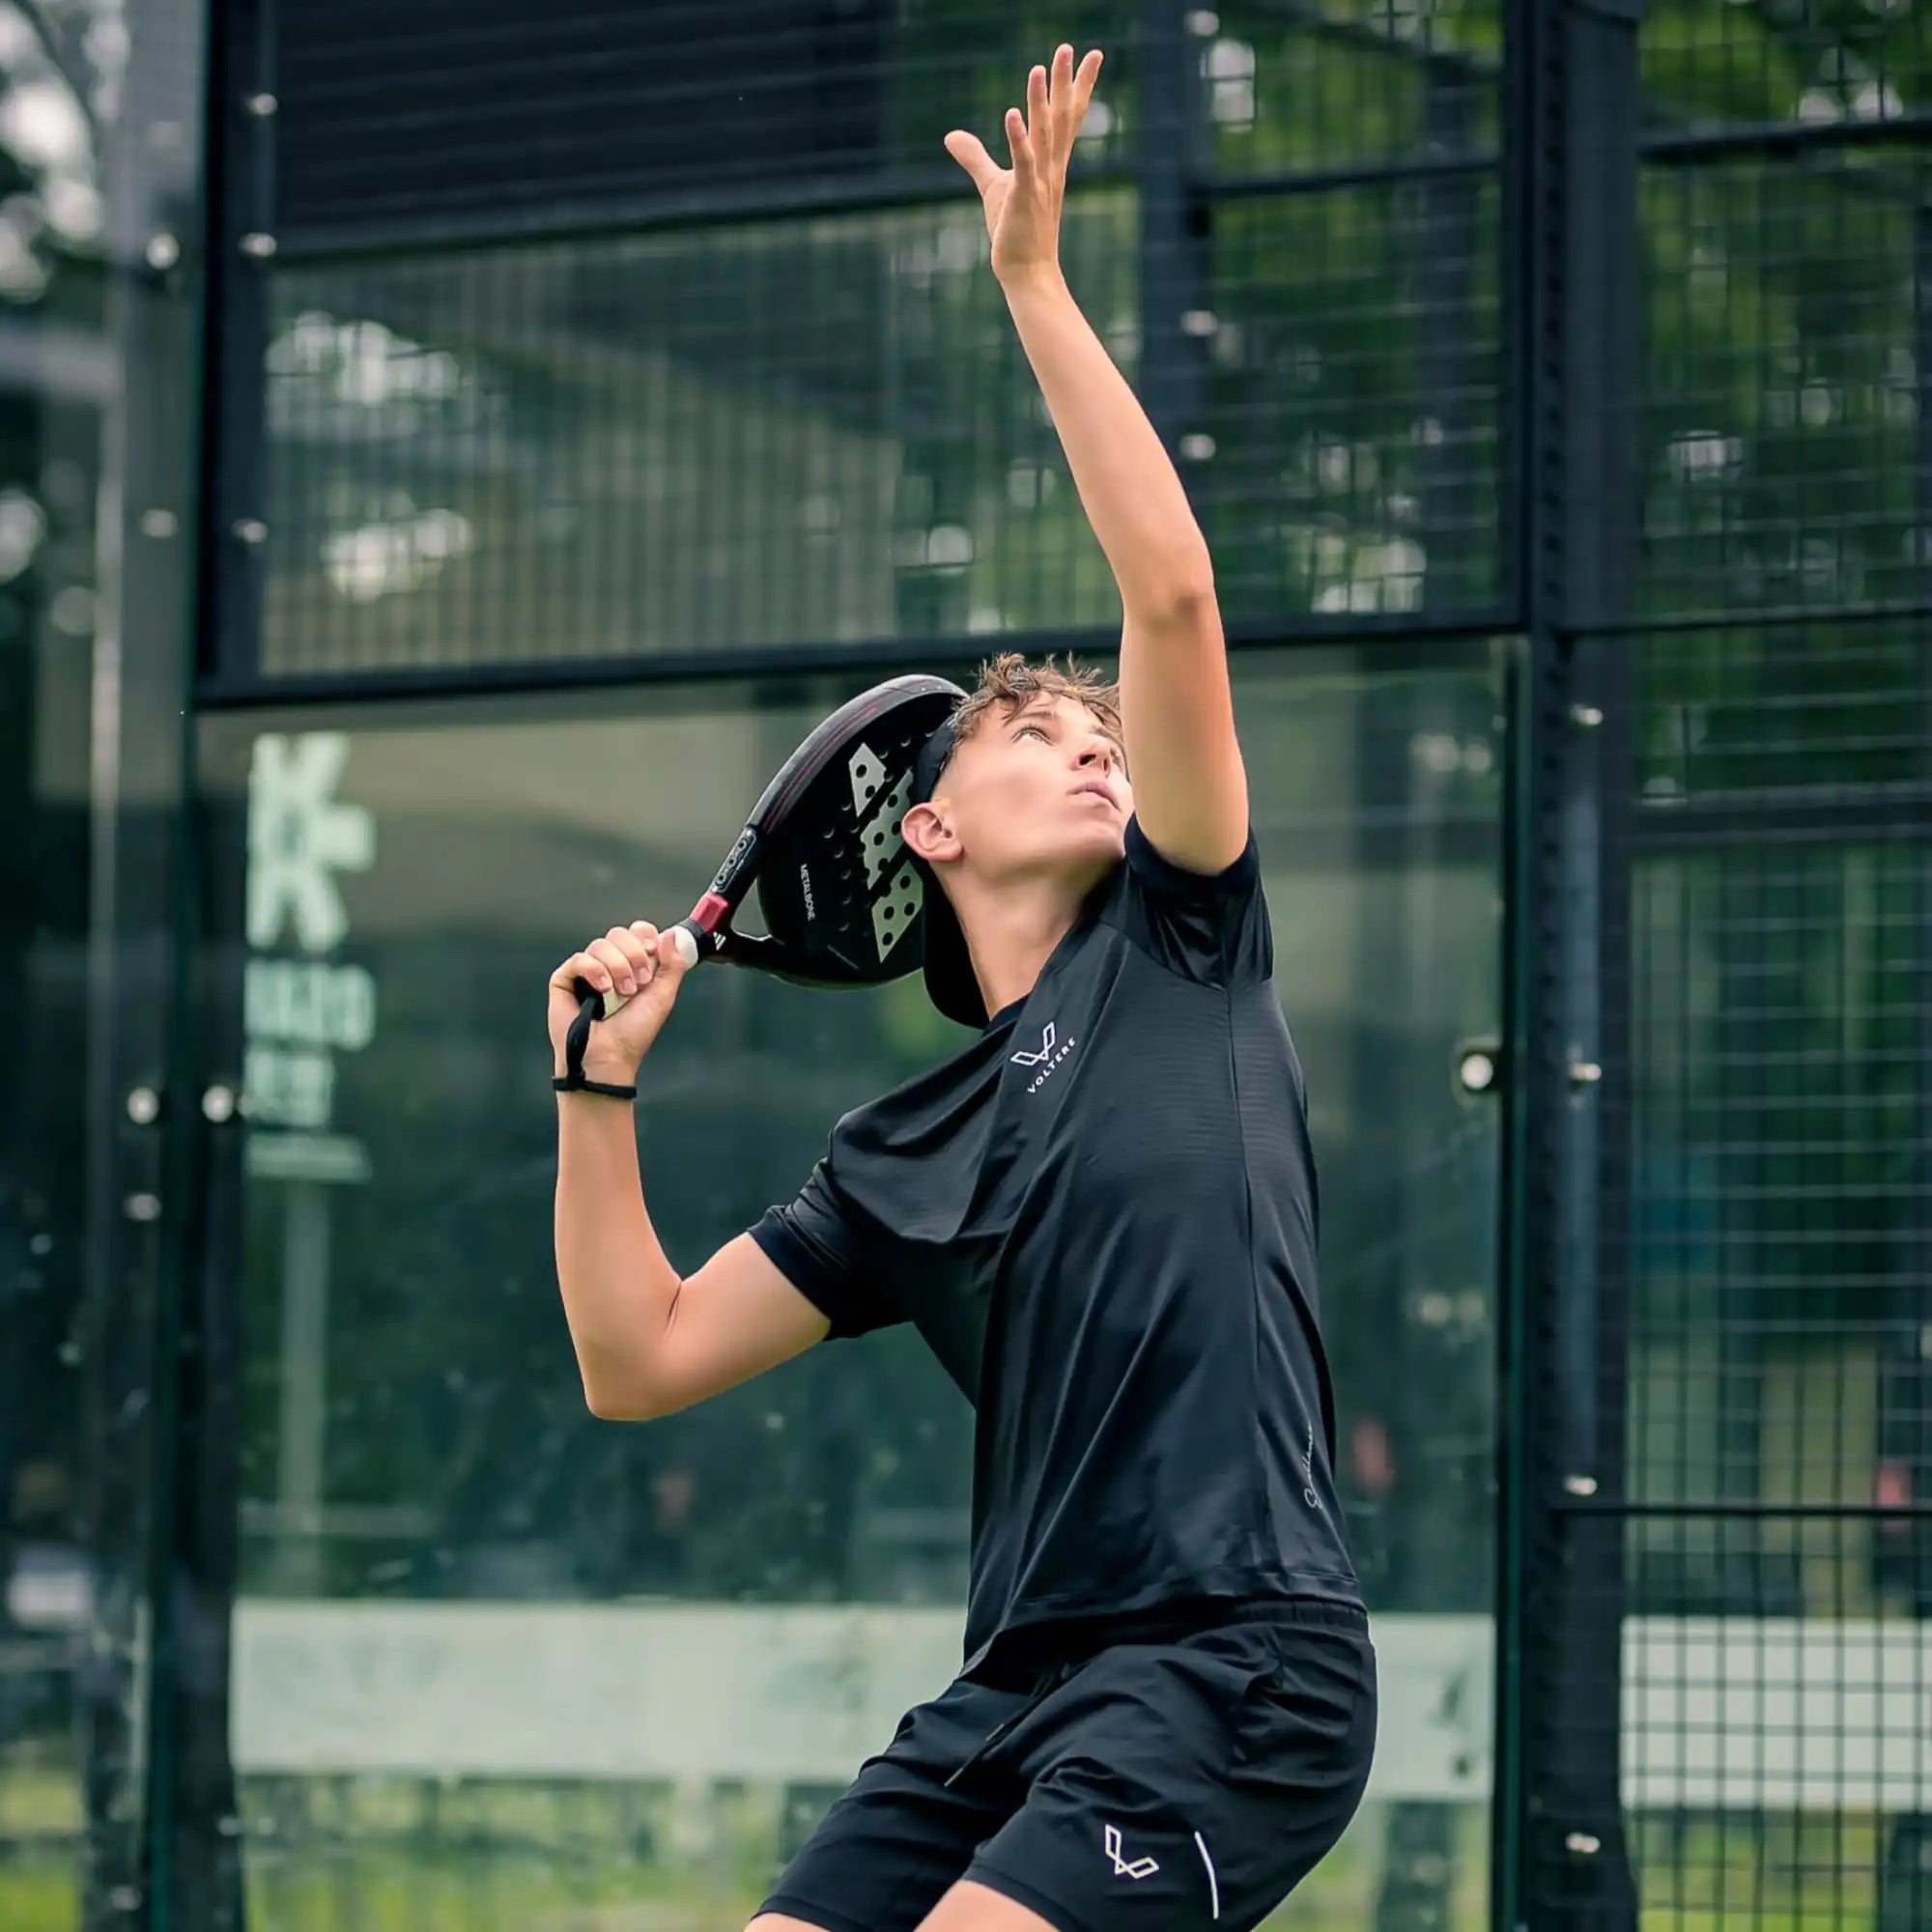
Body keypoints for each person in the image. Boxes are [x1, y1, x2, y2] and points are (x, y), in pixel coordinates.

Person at [547, 44, 1375, 1932]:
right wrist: (598, 1100)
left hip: (1231, 1678)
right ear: (923, 833)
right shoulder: (893, 1153)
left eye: (1106, 734)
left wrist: (1032, 285)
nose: (1096, 746)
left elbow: (1169, 601)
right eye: (1036, 728)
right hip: (1004, 1699)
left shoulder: (1183, 941)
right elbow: (638, 1356)